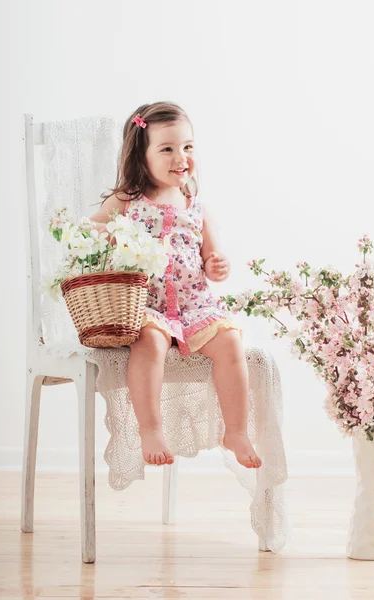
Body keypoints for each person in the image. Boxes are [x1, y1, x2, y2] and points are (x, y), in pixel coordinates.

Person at [90, 102, 262, 470]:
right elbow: (87, 232)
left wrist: (217, 265)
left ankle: (235, 430)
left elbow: (213, 261)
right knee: (150, 342)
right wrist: (108, 235)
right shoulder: (127, 202)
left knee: (230, 340)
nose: (180, 157)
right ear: (142, 155)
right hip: (145, 305)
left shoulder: (196, 207)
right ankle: (150, 428)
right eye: (166, 148)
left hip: (194, 307)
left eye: (187, 147)